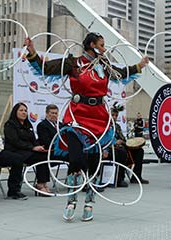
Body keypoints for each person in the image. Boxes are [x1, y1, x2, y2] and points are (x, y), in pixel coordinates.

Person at [24, 32, 148, 221]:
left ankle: (89, 202)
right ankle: (71, 201)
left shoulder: (104, 66)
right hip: (76, 117)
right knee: (75, 159)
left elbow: (121, 74)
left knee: (95, 163)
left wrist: (139, 65)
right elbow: (45, 68)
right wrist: (32, 53)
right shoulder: (72, 63)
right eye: (101, 44)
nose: (104, 48)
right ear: (91, 45)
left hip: (99, 117)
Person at [4, 102, 53, 195]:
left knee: (44, 155)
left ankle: (42, 183)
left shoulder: (28, 125)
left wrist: (39, 147)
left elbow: (33, 139)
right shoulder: (10, 124)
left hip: (28, 151)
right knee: (39, 157)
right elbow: (15, 141)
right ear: (15, 112)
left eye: (25, 111)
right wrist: (32, 147)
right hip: (15, 151)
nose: (24, 113)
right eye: (21, 110)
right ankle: (38, 186)